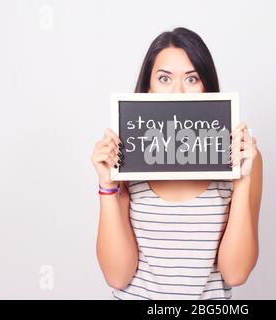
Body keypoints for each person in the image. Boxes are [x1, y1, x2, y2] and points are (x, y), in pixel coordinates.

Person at [91, 27, 263, 300]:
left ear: (207, 86)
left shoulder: (241, 156)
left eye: (192, 78)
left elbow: (236, 273)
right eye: (164, 78)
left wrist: (242, 180)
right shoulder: (126, 153)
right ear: (148, 88)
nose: (178, 91)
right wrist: (107, 186)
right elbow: (117, 275)